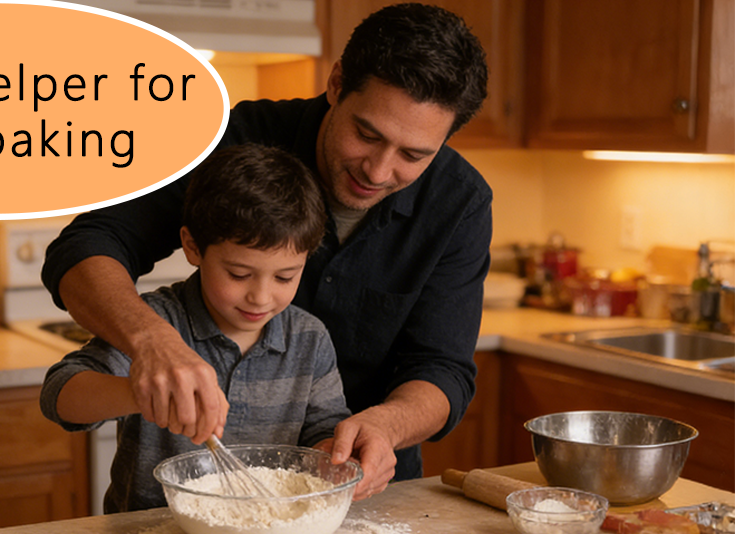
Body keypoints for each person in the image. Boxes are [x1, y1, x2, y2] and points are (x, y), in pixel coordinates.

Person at [41, 2, 491, 500]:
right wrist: (153, 345)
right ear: (337, 84)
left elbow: (443, 370)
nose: (380, 171)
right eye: (366, 134)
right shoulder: (234, 143)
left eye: (414, 155)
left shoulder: (460, 202)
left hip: (358, 492)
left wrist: (383, 428)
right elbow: (89, 244)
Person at [40, 143, 352, 513]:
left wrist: (334, 452)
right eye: (239, 274)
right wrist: (142, 393)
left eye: (285, 276)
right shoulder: (156, 322)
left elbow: (324, 433)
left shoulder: (308, 339)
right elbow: (59, 397)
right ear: (192, 247)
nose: (261, 297)